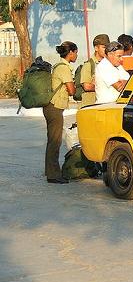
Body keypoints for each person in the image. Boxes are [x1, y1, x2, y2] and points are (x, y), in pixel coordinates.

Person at [43, 41, 78, 184]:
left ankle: (50, 172)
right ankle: (53, 175)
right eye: (76, 52)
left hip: (52, 107)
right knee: (55, 141)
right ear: (70, 53)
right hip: (54, 107)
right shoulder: (63, 68)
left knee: (52, 140)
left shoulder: (59, 66)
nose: (76, 55)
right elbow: (71, 90)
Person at [80, 33, 109, 108]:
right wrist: (104, 85)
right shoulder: (88, 65)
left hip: (103, 105)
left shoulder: (108, 64)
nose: (106, 50)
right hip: (90, 106)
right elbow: (87, 87)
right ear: (96, 48)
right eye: (104, 47)